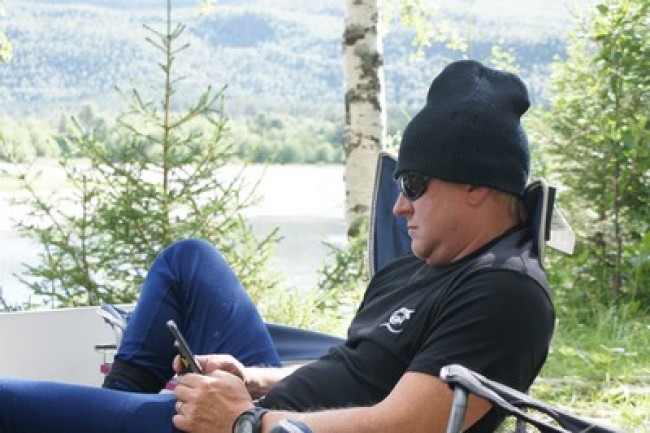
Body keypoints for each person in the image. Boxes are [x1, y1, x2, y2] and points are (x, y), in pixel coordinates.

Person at [0, 59, 555, 433]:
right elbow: (356, 368)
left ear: (477, 185)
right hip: (272, 409)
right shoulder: (424, 263)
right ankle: (128, 404)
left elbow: (405, 425)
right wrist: (252, 378)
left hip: (268, 428)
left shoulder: (506, 294)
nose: (398, 206)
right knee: (188, 261)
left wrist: (245, 420)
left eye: (412, 185)